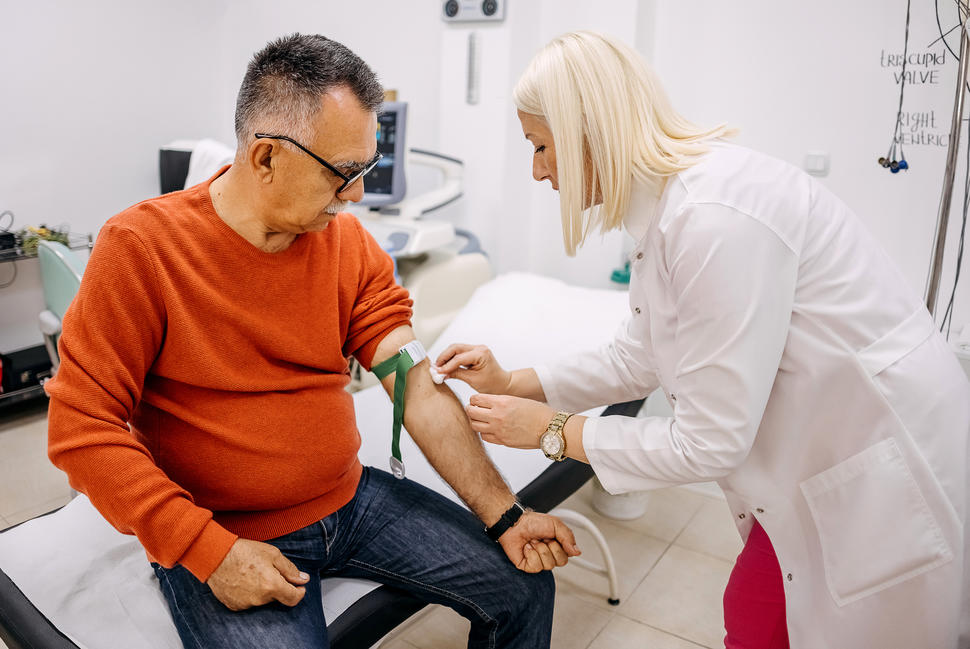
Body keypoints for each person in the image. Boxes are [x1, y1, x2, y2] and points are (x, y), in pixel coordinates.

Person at [435, 30, 970, 649]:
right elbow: (640, 355)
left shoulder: (716, 217)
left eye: (541, 147)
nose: (536, 171)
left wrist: (554, 432)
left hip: (874, 456)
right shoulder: (669, 209)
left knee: (775, 621)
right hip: (815, 460)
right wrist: (511, 383)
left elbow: (710, 442)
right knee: (754, 616)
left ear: (590, 131)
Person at [45, 33, 579, 649]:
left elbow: (419, 389)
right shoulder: (142, 249)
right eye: (343, 174)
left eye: (366, 170)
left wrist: (506, 515)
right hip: (229, 529)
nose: (356, 195)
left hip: (351, 503)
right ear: (266, 157)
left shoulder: (349, 247)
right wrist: (206, 551)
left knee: (524, 586)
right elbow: (82, 428)